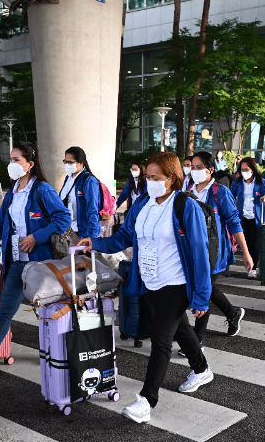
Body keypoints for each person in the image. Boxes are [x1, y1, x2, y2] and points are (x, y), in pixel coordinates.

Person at [79, 152, 213, 424]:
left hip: (175, 283)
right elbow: (125, 236)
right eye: (147, 176)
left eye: (155, 178)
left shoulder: (185, 206)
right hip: (149, 281)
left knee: (161, 340)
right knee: (181, 329)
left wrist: (201, 297)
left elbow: (200, 252)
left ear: (172, 179)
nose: (149, 181)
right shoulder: (143, 203)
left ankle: (146, 400)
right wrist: (96, 243)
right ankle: (201, 368)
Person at [0, 142, 71, 379]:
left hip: (40, 265)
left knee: (51, 311)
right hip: (18, 263)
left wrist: (35, 237)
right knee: (5, 310)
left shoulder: (42, 190)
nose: (11, 164)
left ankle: (63, 353)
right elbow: (1, 226)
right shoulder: (13, 191)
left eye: (16, 160)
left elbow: (63, 219)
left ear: (29, 165)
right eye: (10, 159)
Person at [182, 151, 253, 352]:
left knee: (204, 290)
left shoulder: (220, 191)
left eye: (198, 167)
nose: (194, 171)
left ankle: (197, 341)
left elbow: (234, 222)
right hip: (194, 250)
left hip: (214, 251)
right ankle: (232, 313)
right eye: (192, 167)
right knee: (207, 289)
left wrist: (246, 253)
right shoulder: (187, 190)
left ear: (210, 169)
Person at [231, 157, 265, 278]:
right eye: (242, 169)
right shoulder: (238, 183)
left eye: (247, 169)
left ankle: (253, 269)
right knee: (245, 243)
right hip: (242, 217)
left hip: (257, 218)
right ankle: (249, 265)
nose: (244, 172)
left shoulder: (262, 182)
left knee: (254, 243)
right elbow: (230, 196)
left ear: (253, 170)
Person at [59, 147, 103, 239]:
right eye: (65, 162)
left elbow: (92, 209)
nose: (67, 165)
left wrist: (93, 237)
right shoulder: (68, 178)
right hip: (67, 231)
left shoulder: (88, 180)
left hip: (82, 233)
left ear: (81, 163)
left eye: (70, 162)